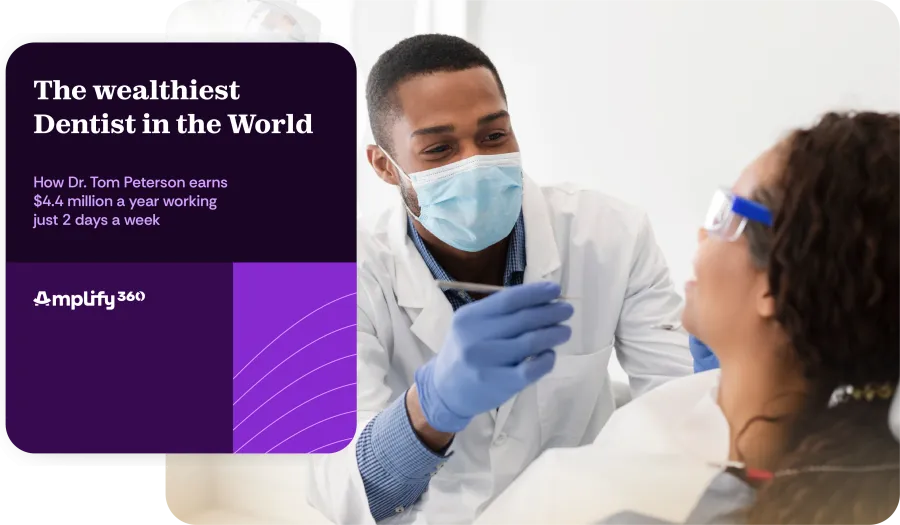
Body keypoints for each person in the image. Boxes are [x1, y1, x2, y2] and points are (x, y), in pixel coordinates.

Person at [307, 34, 715, 524]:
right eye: (439, 148)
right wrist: (429, 411)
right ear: (384, 166)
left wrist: (720, 387)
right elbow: (341, 491)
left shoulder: (611, 234)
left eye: (494, 136)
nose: (474, 162)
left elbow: (686, 419)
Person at [474, 111, 900, 525]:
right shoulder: (856, 462)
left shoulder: (601, 504)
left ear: (777, 283)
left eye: (726, 213)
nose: (701, 233)